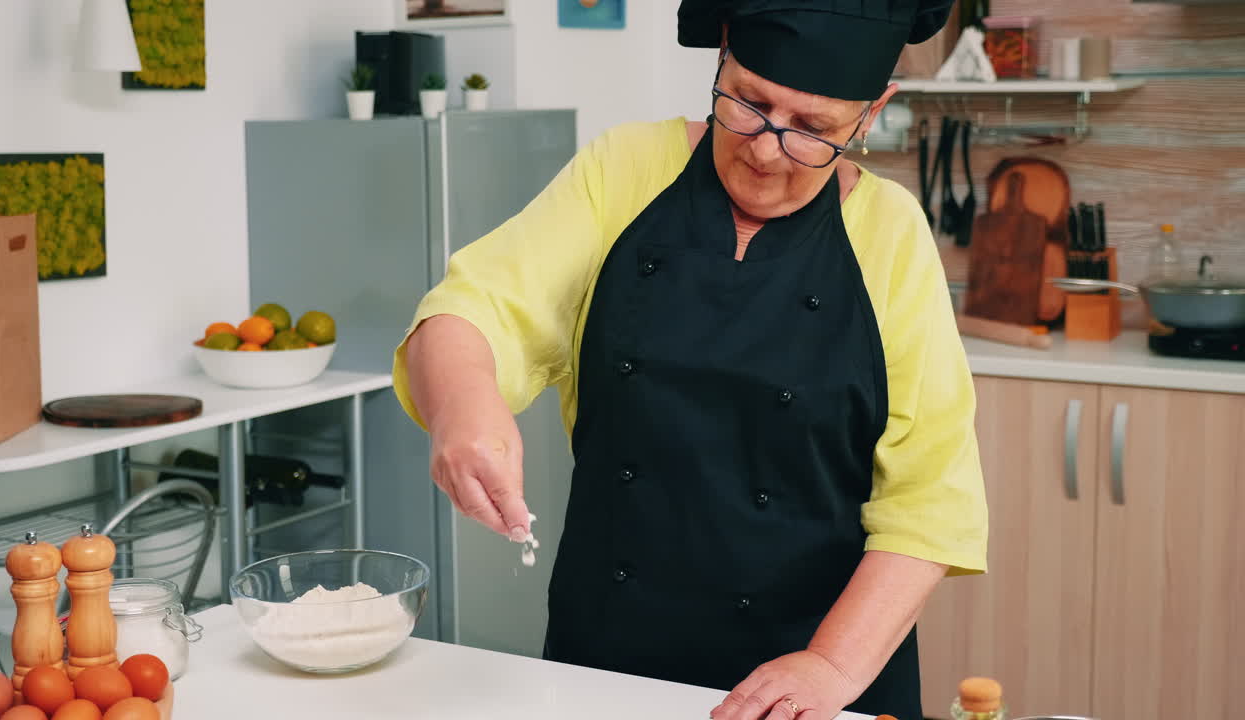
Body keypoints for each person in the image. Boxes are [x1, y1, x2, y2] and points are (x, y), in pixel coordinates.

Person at [392, 2, 988, 718]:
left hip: (819, 676)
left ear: (869, 116)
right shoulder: (627, 168)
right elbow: (473, 309)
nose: (767, 150)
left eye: (812, 130)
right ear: (722, 53)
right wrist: (463, 406)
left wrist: (831, 667)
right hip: (611, 660)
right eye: (750, 104)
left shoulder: (890, 233)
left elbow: (932, 498)